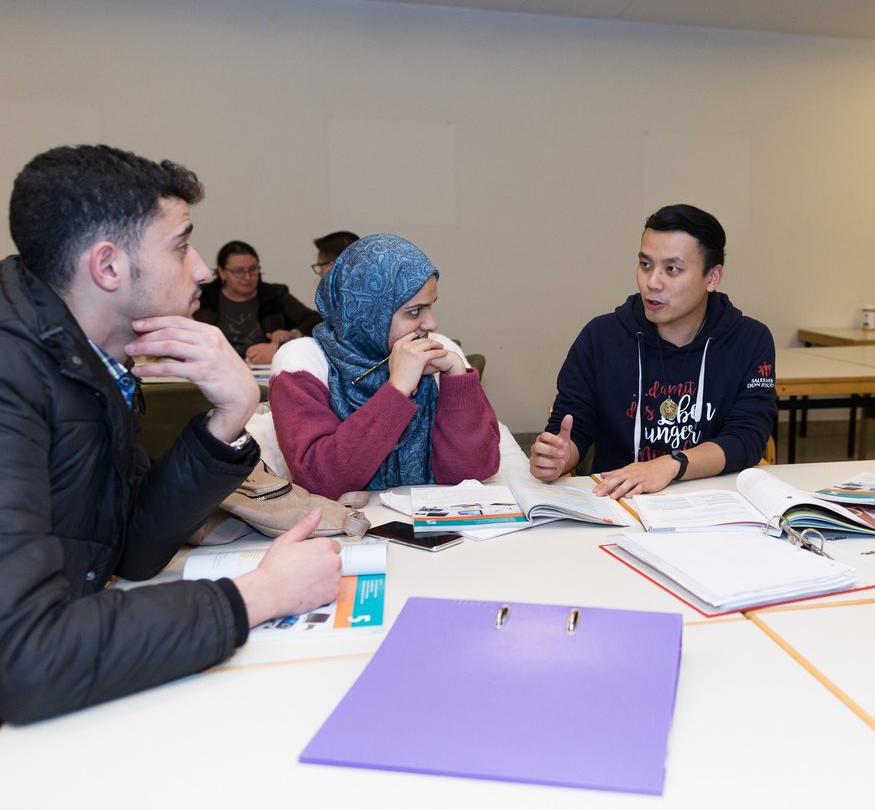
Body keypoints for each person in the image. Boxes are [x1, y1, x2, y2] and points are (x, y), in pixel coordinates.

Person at [0, 145, 342, 724]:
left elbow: (130, 551)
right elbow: (24, 660)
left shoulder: (87, 361)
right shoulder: (12, 377)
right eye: (182, 245)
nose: (203, 269)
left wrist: (228, 415)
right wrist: (260, 596)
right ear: (107, 267)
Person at [530, 204, 776, 499]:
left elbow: (746, 438)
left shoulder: (749, 339)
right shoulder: (601, 337)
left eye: (671, 269)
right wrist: (558, 457)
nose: (652, 283)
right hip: (617, 502)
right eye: (646, 265)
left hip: (712, 505)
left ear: (712, 277)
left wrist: (671, 465)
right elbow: (573, 429)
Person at [269, 233, 500, 499]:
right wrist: (397, 390)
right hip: (347, 534)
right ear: (369, 313)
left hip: (428, 524)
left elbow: (473, 472)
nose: (431, 324)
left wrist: (456, 378)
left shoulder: (441, 353)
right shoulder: (303, 363)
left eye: (430, 308)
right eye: (414, 312)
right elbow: (321, 481)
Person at [193, 240, 322, 364]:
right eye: (238, 271)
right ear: (222, 273)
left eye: (253, 269)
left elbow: (315, 319)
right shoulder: (203, 297)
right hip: (211, 368)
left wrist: (293, 334)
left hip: (263, 373)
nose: (247, 277)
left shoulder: (274, 295)